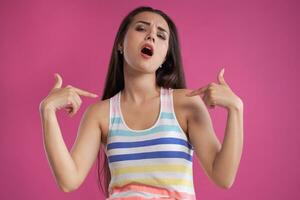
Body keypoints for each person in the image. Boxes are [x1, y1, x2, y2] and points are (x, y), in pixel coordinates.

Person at [39, 6, 244, 200]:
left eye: (161, 35)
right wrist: (47, 111)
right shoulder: (100, 114)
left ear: (165, 56)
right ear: (120, 43)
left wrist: (236, 109)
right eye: (141, 28)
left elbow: (223, 177)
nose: (151, 35)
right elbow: (69, 181)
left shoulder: (185, 103)